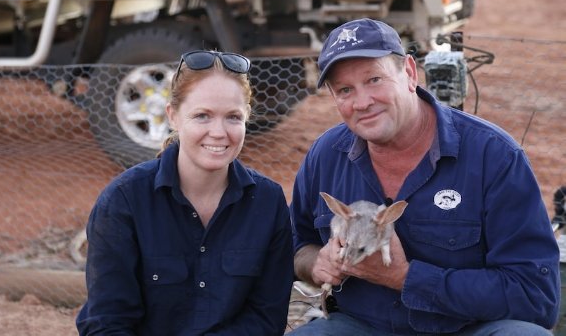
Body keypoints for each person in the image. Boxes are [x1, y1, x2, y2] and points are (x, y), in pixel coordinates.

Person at [288, 18, 560, 335]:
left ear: (409, 73)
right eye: (345, 90)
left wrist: (404, 277)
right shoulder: (326, 155)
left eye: (375, 79)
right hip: (360, 326)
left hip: (467, 329)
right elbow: (297, 246)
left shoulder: (493, 157)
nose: (362, 102)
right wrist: (317, 263)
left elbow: (535, 296)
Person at [76, 50, 294, 335]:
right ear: (173, 116)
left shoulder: (268, 201)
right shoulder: (124, 201)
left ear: (247, 119)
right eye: (202, 116)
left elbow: (266, 318)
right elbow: (107, 322)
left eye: (233, 117)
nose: (219, 132)